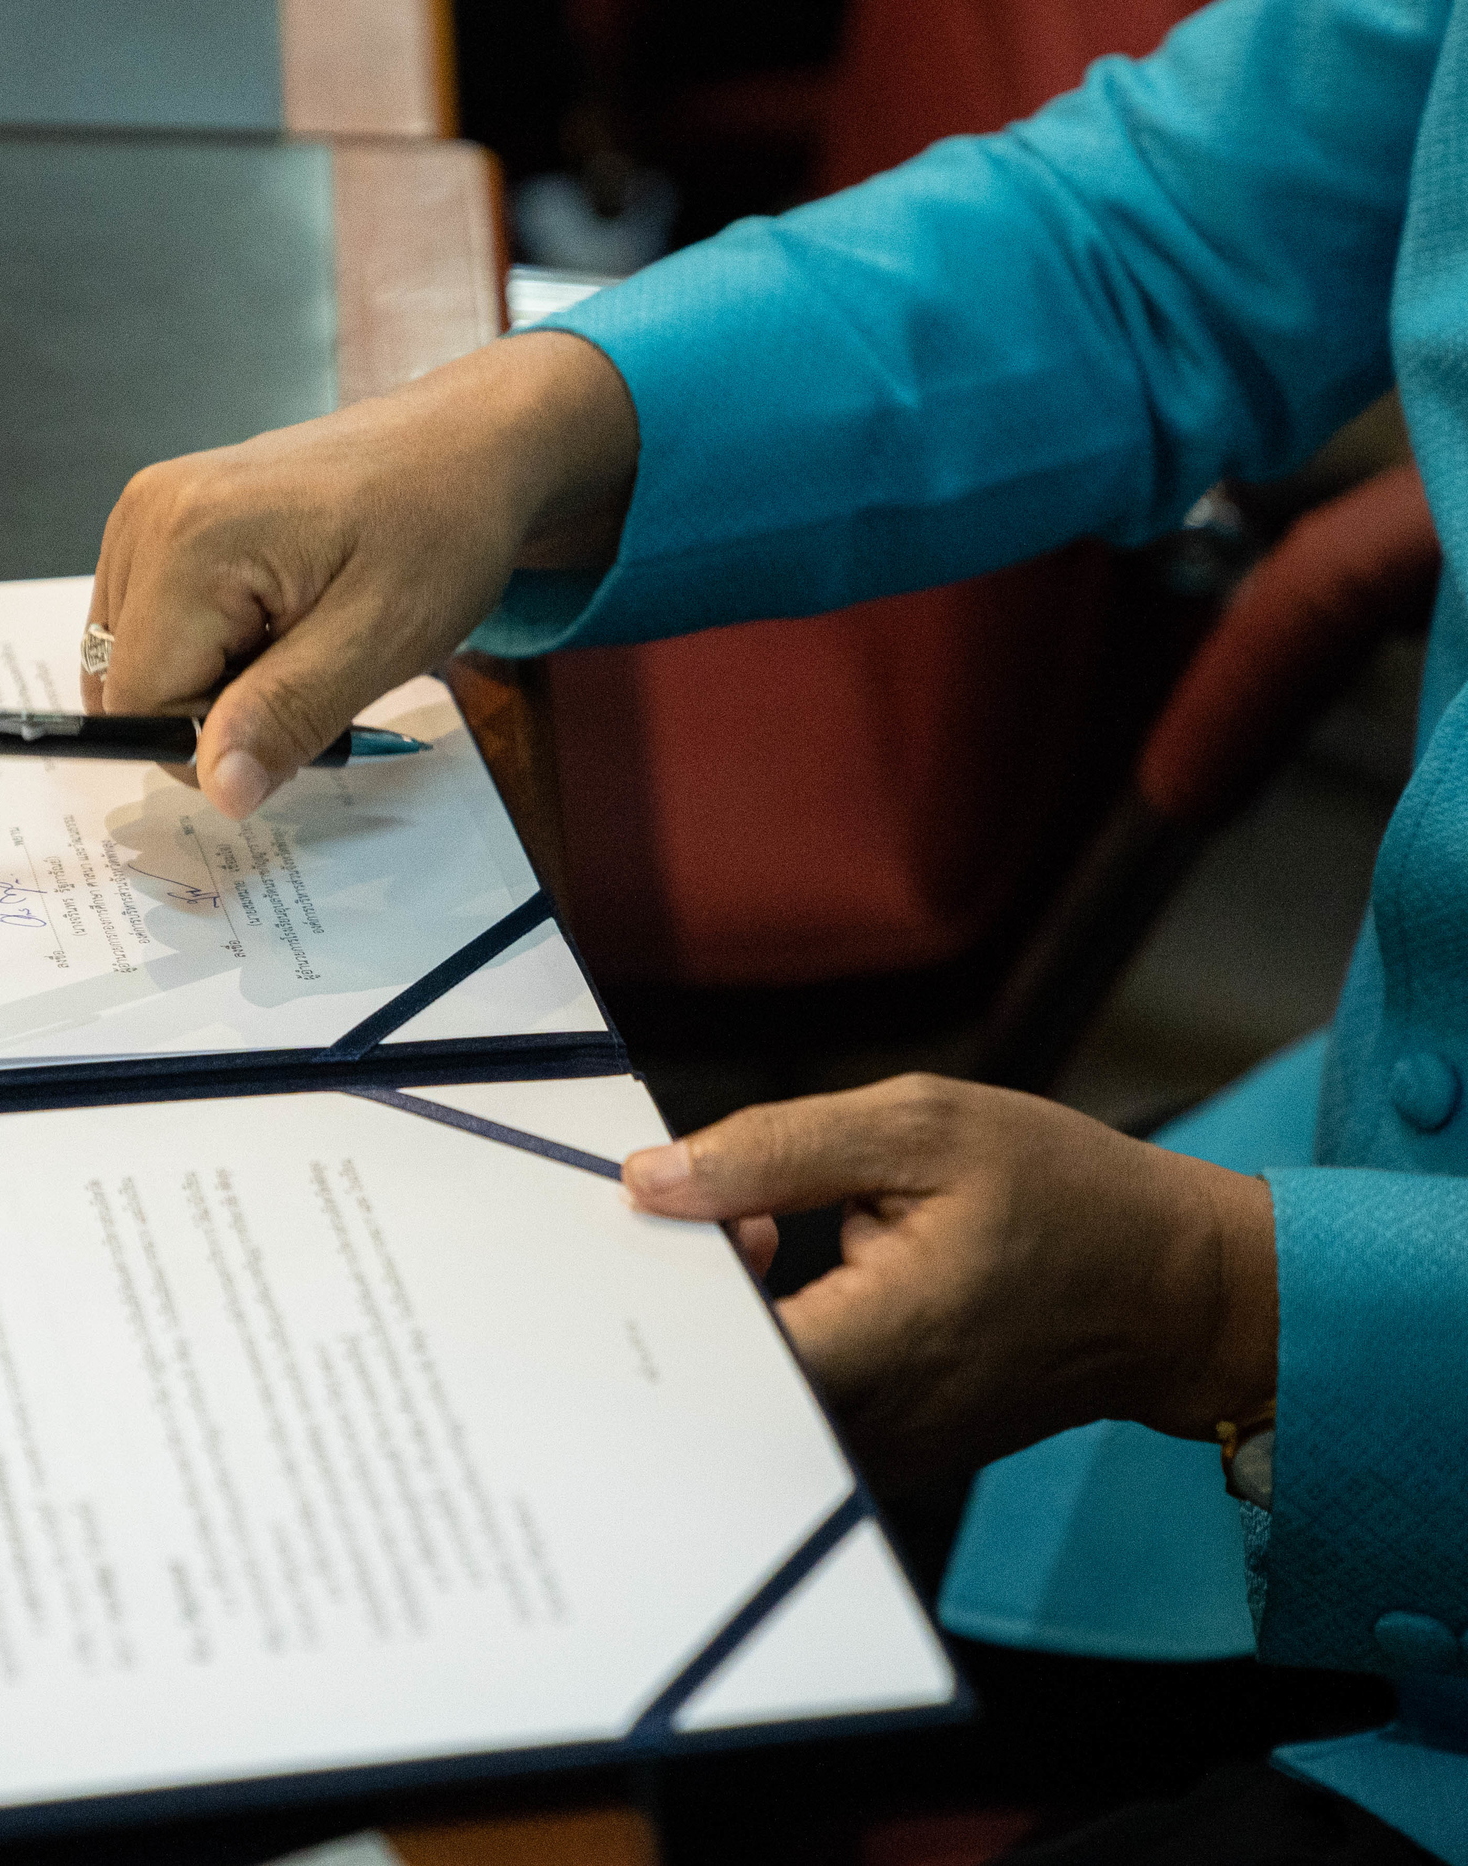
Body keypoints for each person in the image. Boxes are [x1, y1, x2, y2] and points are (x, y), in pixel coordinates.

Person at [78, 0, 1468, 1859]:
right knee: (345, 1554)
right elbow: (1169, 237)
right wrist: (516, 426)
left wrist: (1228, 1305)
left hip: (1343, 1371)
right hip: (1325, 1205)